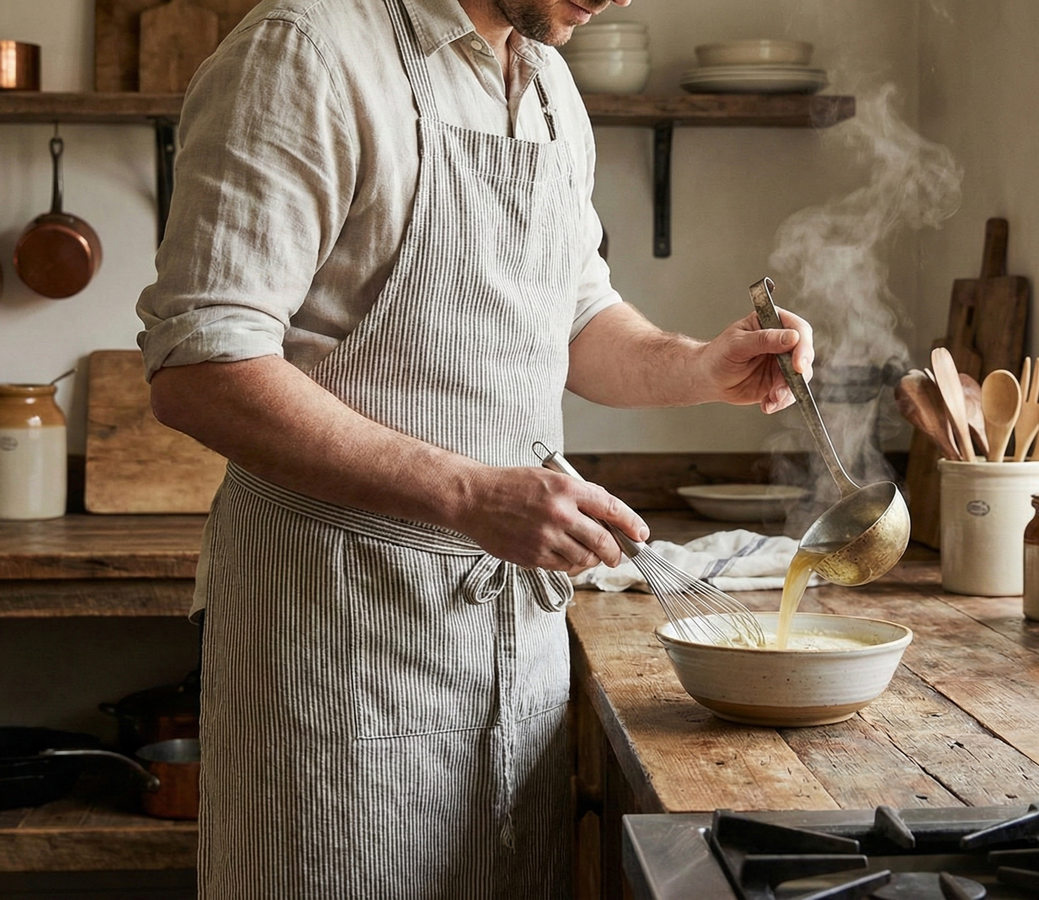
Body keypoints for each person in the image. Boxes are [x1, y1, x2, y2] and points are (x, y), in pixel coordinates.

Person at [136, 0, 815, 896]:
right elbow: (202, 366)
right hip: (340, 646)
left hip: (513, 659)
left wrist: (697, 366)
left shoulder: (546, 82)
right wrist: (468, 496)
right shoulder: (307, 51)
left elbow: (571, 314)